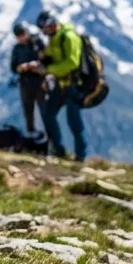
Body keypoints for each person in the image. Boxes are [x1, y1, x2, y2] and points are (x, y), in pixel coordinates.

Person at [22, 11, 87, 161]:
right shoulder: (54, 39)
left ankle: (80, 157)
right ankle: (59, 150)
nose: (44, 32)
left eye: (45, 29)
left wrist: (48, 70)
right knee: (49, 115)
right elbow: (48, 55)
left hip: (73, 85)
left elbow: (72, 63)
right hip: (59, 84)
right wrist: (39, 61)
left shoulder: (69, 37)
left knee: (74, 121)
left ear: (52, 24)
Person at [10, 22, 46, 134]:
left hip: (40, 82)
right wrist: (21, 68)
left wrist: (36, 65)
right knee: (28, 111)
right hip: (25, 83)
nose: (21, 38)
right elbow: (13, 67)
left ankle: (50, 139)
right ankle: (31, 135)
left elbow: (47, 59)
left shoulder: (37, 43)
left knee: (45, 111)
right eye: (18, 36)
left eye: (23, 34)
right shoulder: (17, 49)